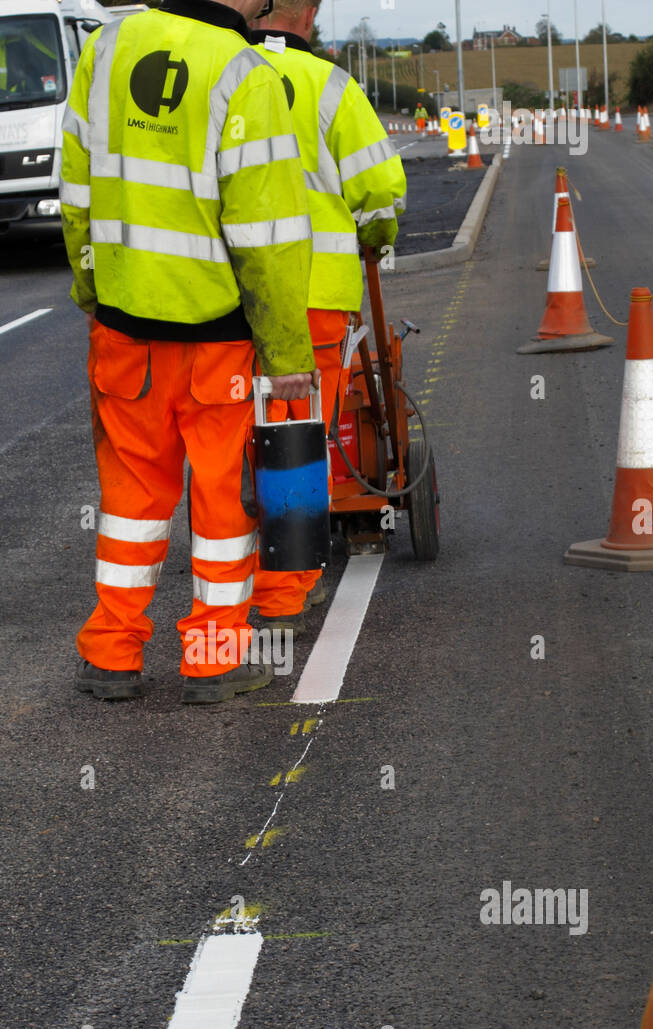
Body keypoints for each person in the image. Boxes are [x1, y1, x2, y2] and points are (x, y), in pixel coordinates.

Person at [61, 0, 318, 703]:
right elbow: (266, 236)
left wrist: (92, 287)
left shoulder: (105, 51)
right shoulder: (246, 74)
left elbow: (76, 194)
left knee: (130, 500)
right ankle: (211, 660)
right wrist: (285, 349)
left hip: (122, 329)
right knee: (221, 504)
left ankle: (112, 653)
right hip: (217, 339)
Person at [249, 0, 406, 633]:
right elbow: (377, 191)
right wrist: (379, 233)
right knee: (301, 436)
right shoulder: (330, 86)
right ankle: (287, 588)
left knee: (245, 433)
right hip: (316, 293)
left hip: (236, 295)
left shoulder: (222, 73)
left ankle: (239, 580)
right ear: (308, 14)